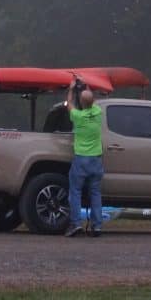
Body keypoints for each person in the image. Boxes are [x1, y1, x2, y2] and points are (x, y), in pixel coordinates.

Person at [64, 78, 104, 237]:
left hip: (81, 159)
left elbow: (69, 104)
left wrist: (71, 89)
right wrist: (86, 87)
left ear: (81, 101)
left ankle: (75, 224)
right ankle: (97, 226)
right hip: (96, 160)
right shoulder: (98, 113)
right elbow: (90, 101)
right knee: (95, 193)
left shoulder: (78, 117)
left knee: (75, 191)